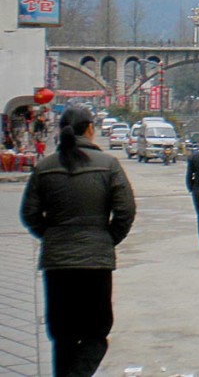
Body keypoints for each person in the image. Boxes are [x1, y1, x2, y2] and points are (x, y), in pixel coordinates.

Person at [20, 104, 136, 377]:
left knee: (62, 335)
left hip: (57, 264)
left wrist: (51, 235)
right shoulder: (108, 165)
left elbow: (29, 213)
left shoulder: (45, 168)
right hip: (95, 263)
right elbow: (126, 211)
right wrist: (107, 239)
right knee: (96, 333)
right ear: (90, 129)